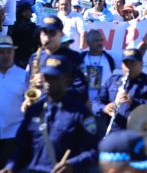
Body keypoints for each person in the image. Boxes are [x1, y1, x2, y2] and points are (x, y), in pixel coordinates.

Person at [1, 55, 98, 173]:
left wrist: (72, 164)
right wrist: (10, 167)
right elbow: (22, 147)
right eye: (46, 76)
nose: (48, 81)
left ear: (67, 80)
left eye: (54, 77)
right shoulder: (34, 111)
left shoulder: (81, 113)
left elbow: (94, 151)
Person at [97, 48, 147, 132]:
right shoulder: (112, 80)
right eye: (126, 64)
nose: (129, 67)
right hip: (113, 132)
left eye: (133, 64)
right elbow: (97, 101)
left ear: (141, 64)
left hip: (138, 133)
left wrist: (133, 102)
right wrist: (104, 108)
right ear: (121, 65)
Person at [26, 16, 87, 104]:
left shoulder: (74, 57)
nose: (47, 37)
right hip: (40, 107)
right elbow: (27, 83)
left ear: (61, 34)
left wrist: (53, 85)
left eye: (52, 33)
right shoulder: (35, 57)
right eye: (44, 33)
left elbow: (82, 89)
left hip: (66, 108)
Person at [0, 36, 27, 166]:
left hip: (14, 135)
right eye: (1, 52)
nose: (5, 55)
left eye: (8, 52)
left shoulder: (23, 75)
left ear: (14, 53)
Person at [80, 29, 116, 106]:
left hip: (104, 106)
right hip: (84, 104)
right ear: (88, 43)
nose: (100, 43)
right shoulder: (80, 58)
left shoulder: (110, 57)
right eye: (96, 40)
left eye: (101, 40)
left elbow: (133, 57)